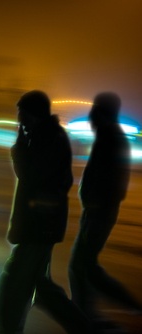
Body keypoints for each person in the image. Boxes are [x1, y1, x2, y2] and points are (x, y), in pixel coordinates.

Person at [0, 90, 91, 334]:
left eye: (21, 113)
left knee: (15, 282)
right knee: (40, 287)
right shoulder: (44, 136)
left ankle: (6, 329)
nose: (19, 119)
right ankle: (83, 328)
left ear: (32, 114)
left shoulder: (48, 139)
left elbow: (31, 175)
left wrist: (18, 149)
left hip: (39, 227)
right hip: (39, 225)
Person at [68, 92, 142, 323]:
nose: (90, 116)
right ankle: (85, 311)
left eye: (94, 110)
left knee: (82, 264)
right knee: (83, 264)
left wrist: (96, 203)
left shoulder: (111, 138)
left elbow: (114, 180)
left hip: (99, 212)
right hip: (97, 210)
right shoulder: (108, 136)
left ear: (101, 112)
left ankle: (90, 312)